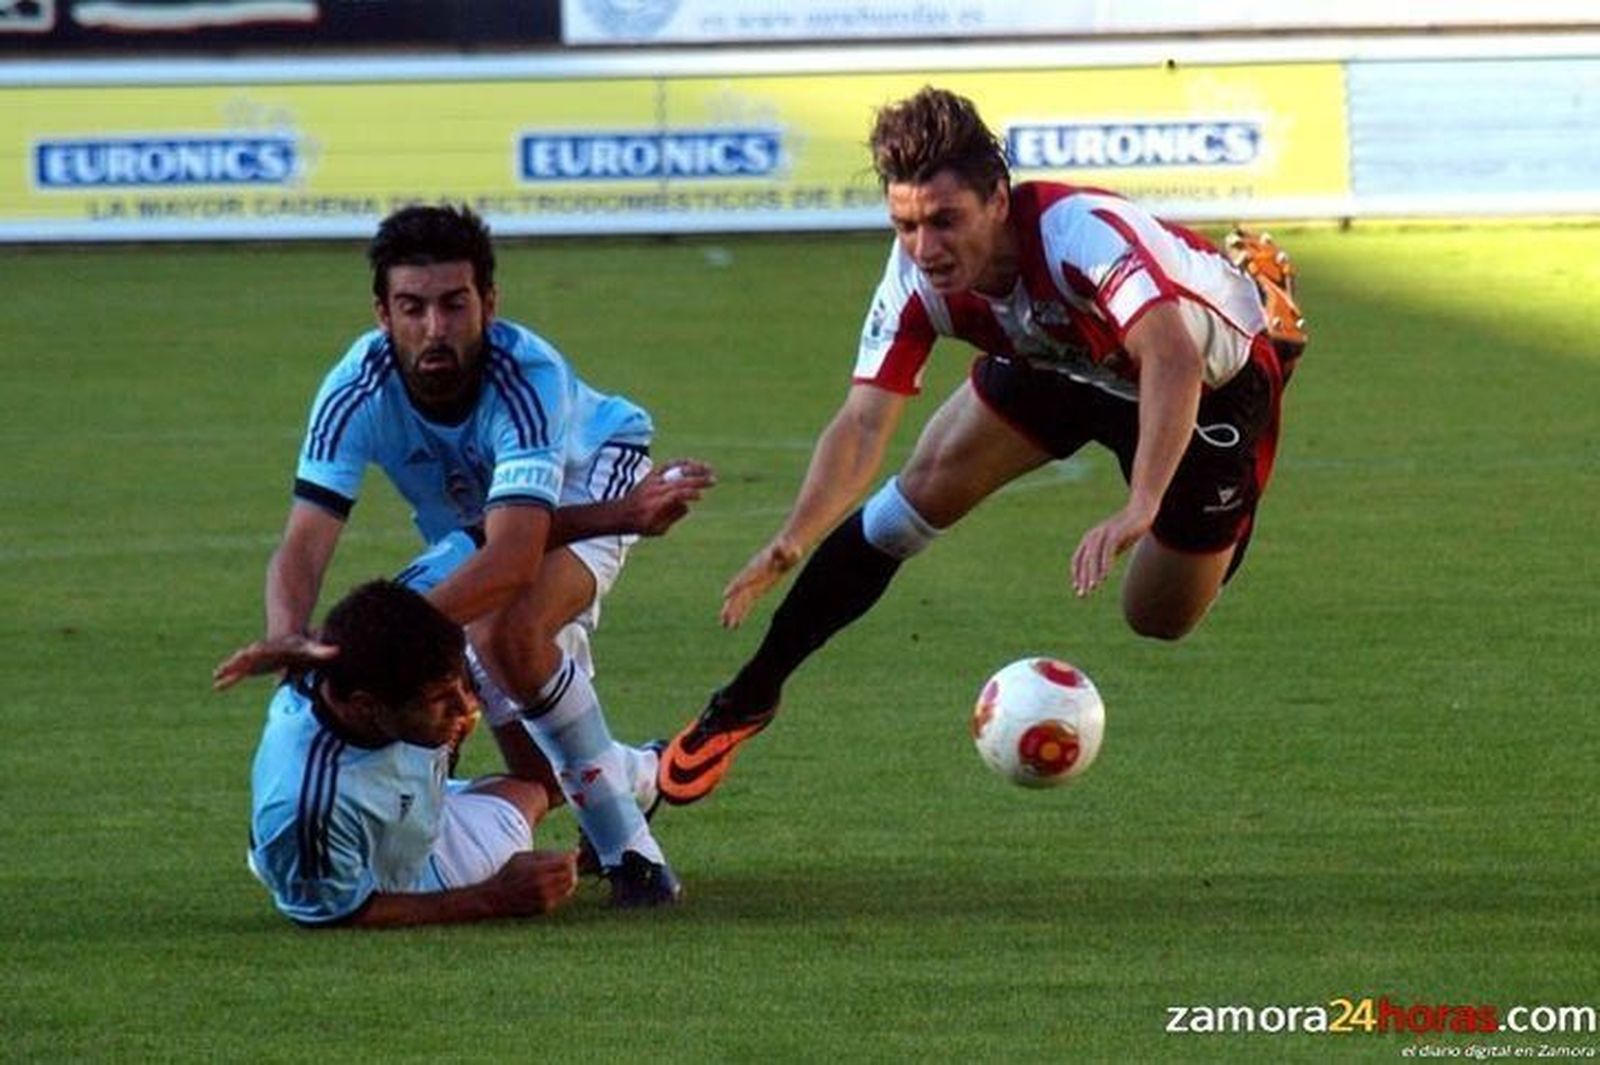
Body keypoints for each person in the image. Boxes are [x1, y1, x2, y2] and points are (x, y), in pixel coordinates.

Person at [658, 86, 1306, 805]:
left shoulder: (1076, 234)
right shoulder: (915, 277)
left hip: (1205, 379)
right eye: (905, 224)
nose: (925, 249)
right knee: (904, 506)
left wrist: (1141, 503)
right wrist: (792, 537)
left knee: (1157, 617)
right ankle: (747, 698)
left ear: (998, 199)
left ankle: (1261, 311)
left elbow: (1173, 357)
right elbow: (864, 421)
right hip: (1057, 361)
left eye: (944, 222)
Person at [221, 204, 713, 904]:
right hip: (479, 528)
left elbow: (513, 560)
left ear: (488, 302)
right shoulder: (354, 389)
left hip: (594, 475)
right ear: (382, 314)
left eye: (454, 305)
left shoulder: (525, 374)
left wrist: (367, 653)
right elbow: (304, 539)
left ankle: (633, 855)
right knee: (542, 772)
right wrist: (290, 640)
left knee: (503, 632)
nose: (435, 328)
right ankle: (643, 770)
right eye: (412, 307)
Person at [242, 580, 578, 928]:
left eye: (460, 689)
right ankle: (631, 797)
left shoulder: (353, 655)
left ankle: (630, 787)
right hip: (404, 876)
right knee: (543, 785)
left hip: (413, 812)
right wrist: (495, 896)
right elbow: (343, 914)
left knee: (495, 632)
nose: (464, 708)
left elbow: (485, 543)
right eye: (439, 698)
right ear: (366, 706)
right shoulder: (309, 804)